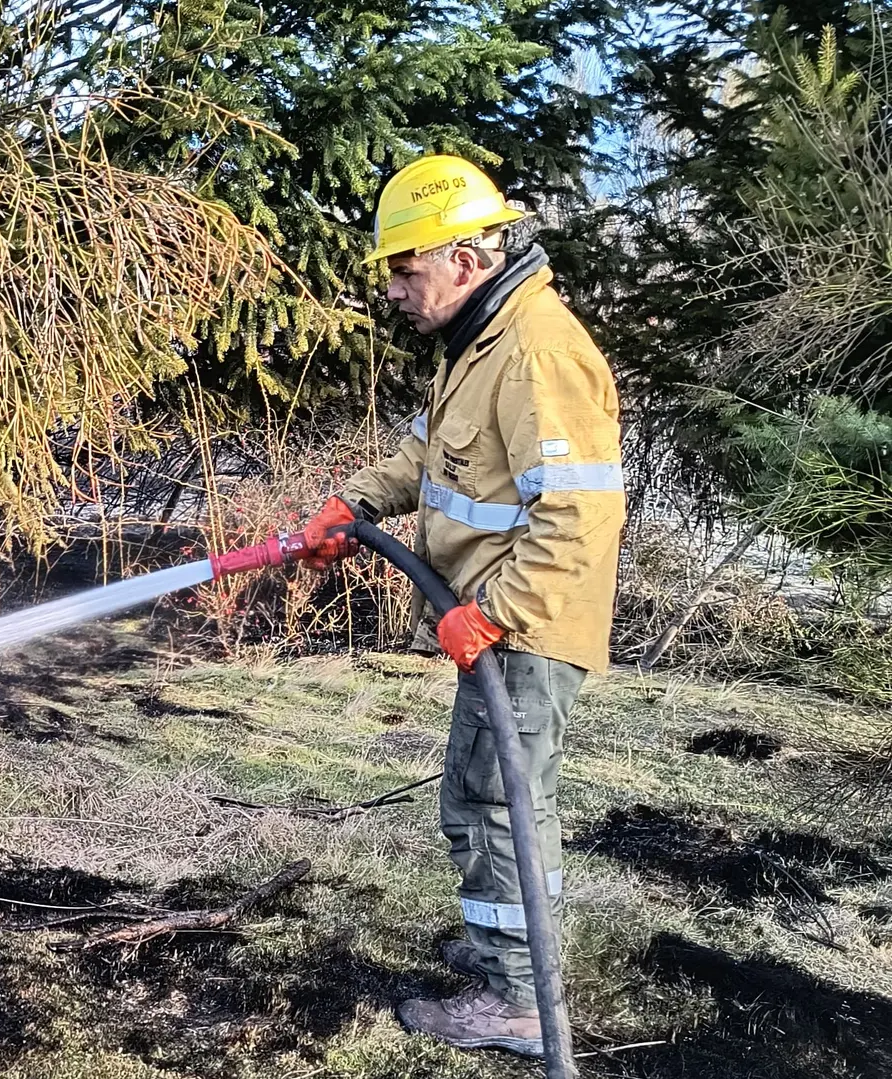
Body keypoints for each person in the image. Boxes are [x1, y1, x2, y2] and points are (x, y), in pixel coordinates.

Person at [300, 155, 626, 1058]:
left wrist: (495, 612)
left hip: (524, 624)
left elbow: (580, 514)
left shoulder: (535, 351)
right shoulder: (482, 342)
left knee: (495, 804)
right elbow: (429, 452)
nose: (396, 289)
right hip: (494, 619)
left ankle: (520, 997)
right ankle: (506, 951)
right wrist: (355, 501)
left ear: (468, 258)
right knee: (480, 797)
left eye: (407, 268)